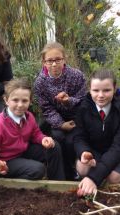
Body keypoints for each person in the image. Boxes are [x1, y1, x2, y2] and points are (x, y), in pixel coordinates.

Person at [0, 78, 65, 180]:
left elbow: (35, 134)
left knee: (54, 147)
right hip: (6, 162)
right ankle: (10, 183)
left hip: (23, 151)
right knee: (38, 170)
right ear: (6, 100)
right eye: (15, 100)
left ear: (30, 101)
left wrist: (43, 139)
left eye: (24, 101)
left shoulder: (29, 116)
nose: (20, 105)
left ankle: (57, 182)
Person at [74, 69, 120, 196]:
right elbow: (79, 137)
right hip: (95, 150)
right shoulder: (83, 108)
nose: (100, 95)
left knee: (112, 178)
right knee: (82, 168)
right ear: (89, 90)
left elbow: (119, 146)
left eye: (106, 90)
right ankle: (97, 172)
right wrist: (84, 152)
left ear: (114, 88)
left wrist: (93, 178)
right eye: (96, 90)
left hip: (119, 152)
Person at [34, 42, 87, 180]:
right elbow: (46, 108)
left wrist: (68, 101)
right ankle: (63, 172)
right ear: (44, 62)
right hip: (55, 119)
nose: (54, 64)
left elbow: (83, 100)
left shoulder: (77, 76)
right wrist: (61, 124)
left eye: (58, 60)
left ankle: (75, 169)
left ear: (64, 59)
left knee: (72, 141)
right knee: (58, 137)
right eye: (50, 61)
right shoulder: (40, 82)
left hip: (76, 116)